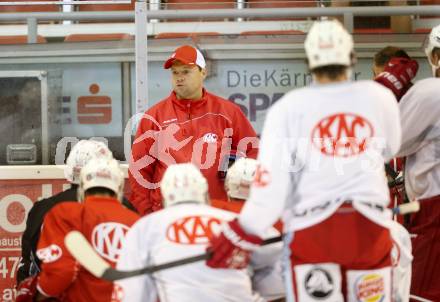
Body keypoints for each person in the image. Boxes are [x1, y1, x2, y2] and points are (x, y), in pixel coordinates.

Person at [206, 20, 402, 302]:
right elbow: (390, 148)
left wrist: (242, 231)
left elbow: (270, 190)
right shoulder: (380, 97)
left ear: (310, 60)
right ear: (352, 57)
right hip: (369, 228)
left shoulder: (288, 107)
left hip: (314, 231)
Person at [116, 163, 283, 302]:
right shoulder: (234, 220)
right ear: (205, 193)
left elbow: (131, 293)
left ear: (165, 197)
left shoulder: (147, 226)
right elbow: (278, 251)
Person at [129, 44, 258, 215]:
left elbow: (253, 155)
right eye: (175, 73)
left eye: (185, 71)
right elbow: (139, 170)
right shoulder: (154, 117)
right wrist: (148, 213)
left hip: (216, 212)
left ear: (203, 72)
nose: (179, 78)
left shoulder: (227, 113)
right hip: (168, 214)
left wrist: (239, 206)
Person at [16, 158, 139, 302]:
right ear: (119, 187)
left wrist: (38, 295)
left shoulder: (65, 213)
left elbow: (61, 272)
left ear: (82, 186)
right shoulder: (137, 222)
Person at [394, 24, 440, 301]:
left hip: (433, 211)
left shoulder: (430, 91)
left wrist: (387, 92)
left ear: (435, 56)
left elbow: (388, 142)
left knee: (421, 294)